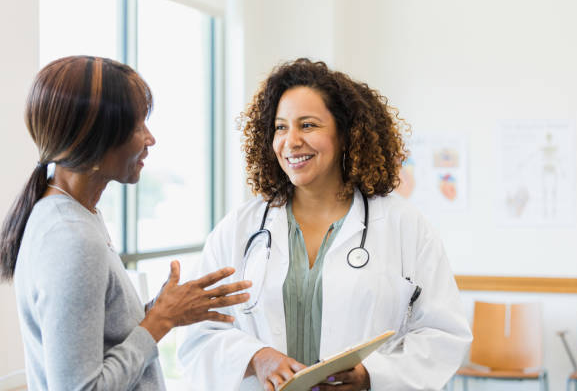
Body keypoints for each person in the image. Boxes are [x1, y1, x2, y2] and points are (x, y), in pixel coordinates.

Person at [178, 58, 472, 390]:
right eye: (280, 127)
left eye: (308, 125)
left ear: (345, 134)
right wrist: (256, 357)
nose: (291, 141)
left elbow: (444, 333)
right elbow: (198, 333)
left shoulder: (402, 224)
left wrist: (370, 375)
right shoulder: (240, 227)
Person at [0, 56, 251, 390]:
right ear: (95, 137)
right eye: (137, 127)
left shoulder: (74, 213)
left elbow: (99, 336)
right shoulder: (72, 238)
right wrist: (159, 321)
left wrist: (162, 310)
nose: (150, 139)